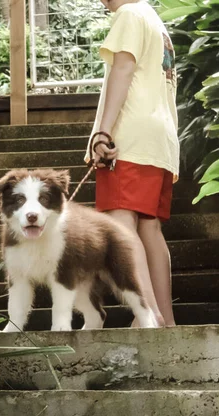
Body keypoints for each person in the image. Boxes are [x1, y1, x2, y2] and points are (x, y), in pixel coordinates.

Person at [87, 0, 179, 327]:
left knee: (120, 223)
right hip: (161, 139)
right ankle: (165, 320)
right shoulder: (154, 20)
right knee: (149, 227)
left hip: (132, 136)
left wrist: (102, 132)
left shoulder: (129, 14)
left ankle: (148, 315)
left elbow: (123, 70)